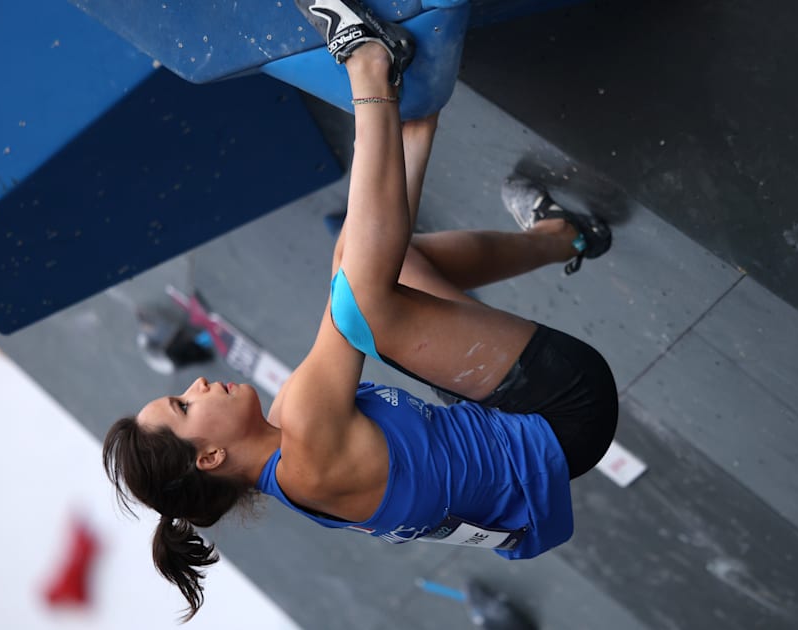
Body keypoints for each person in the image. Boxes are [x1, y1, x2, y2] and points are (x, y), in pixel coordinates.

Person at [102, 0, 617, 620]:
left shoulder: (292, 428)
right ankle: (366, 61)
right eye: (186, 405)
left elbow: (358, 258)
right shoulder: (308, 453)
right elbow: (354, 300)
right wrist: (377, 95)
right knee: (365, 305)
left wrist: (416, 122)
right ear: (209, 457)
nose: (199, 383)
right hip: (566, 413)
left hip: (522, 422)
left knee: (386, 276)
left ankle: (568, 235)